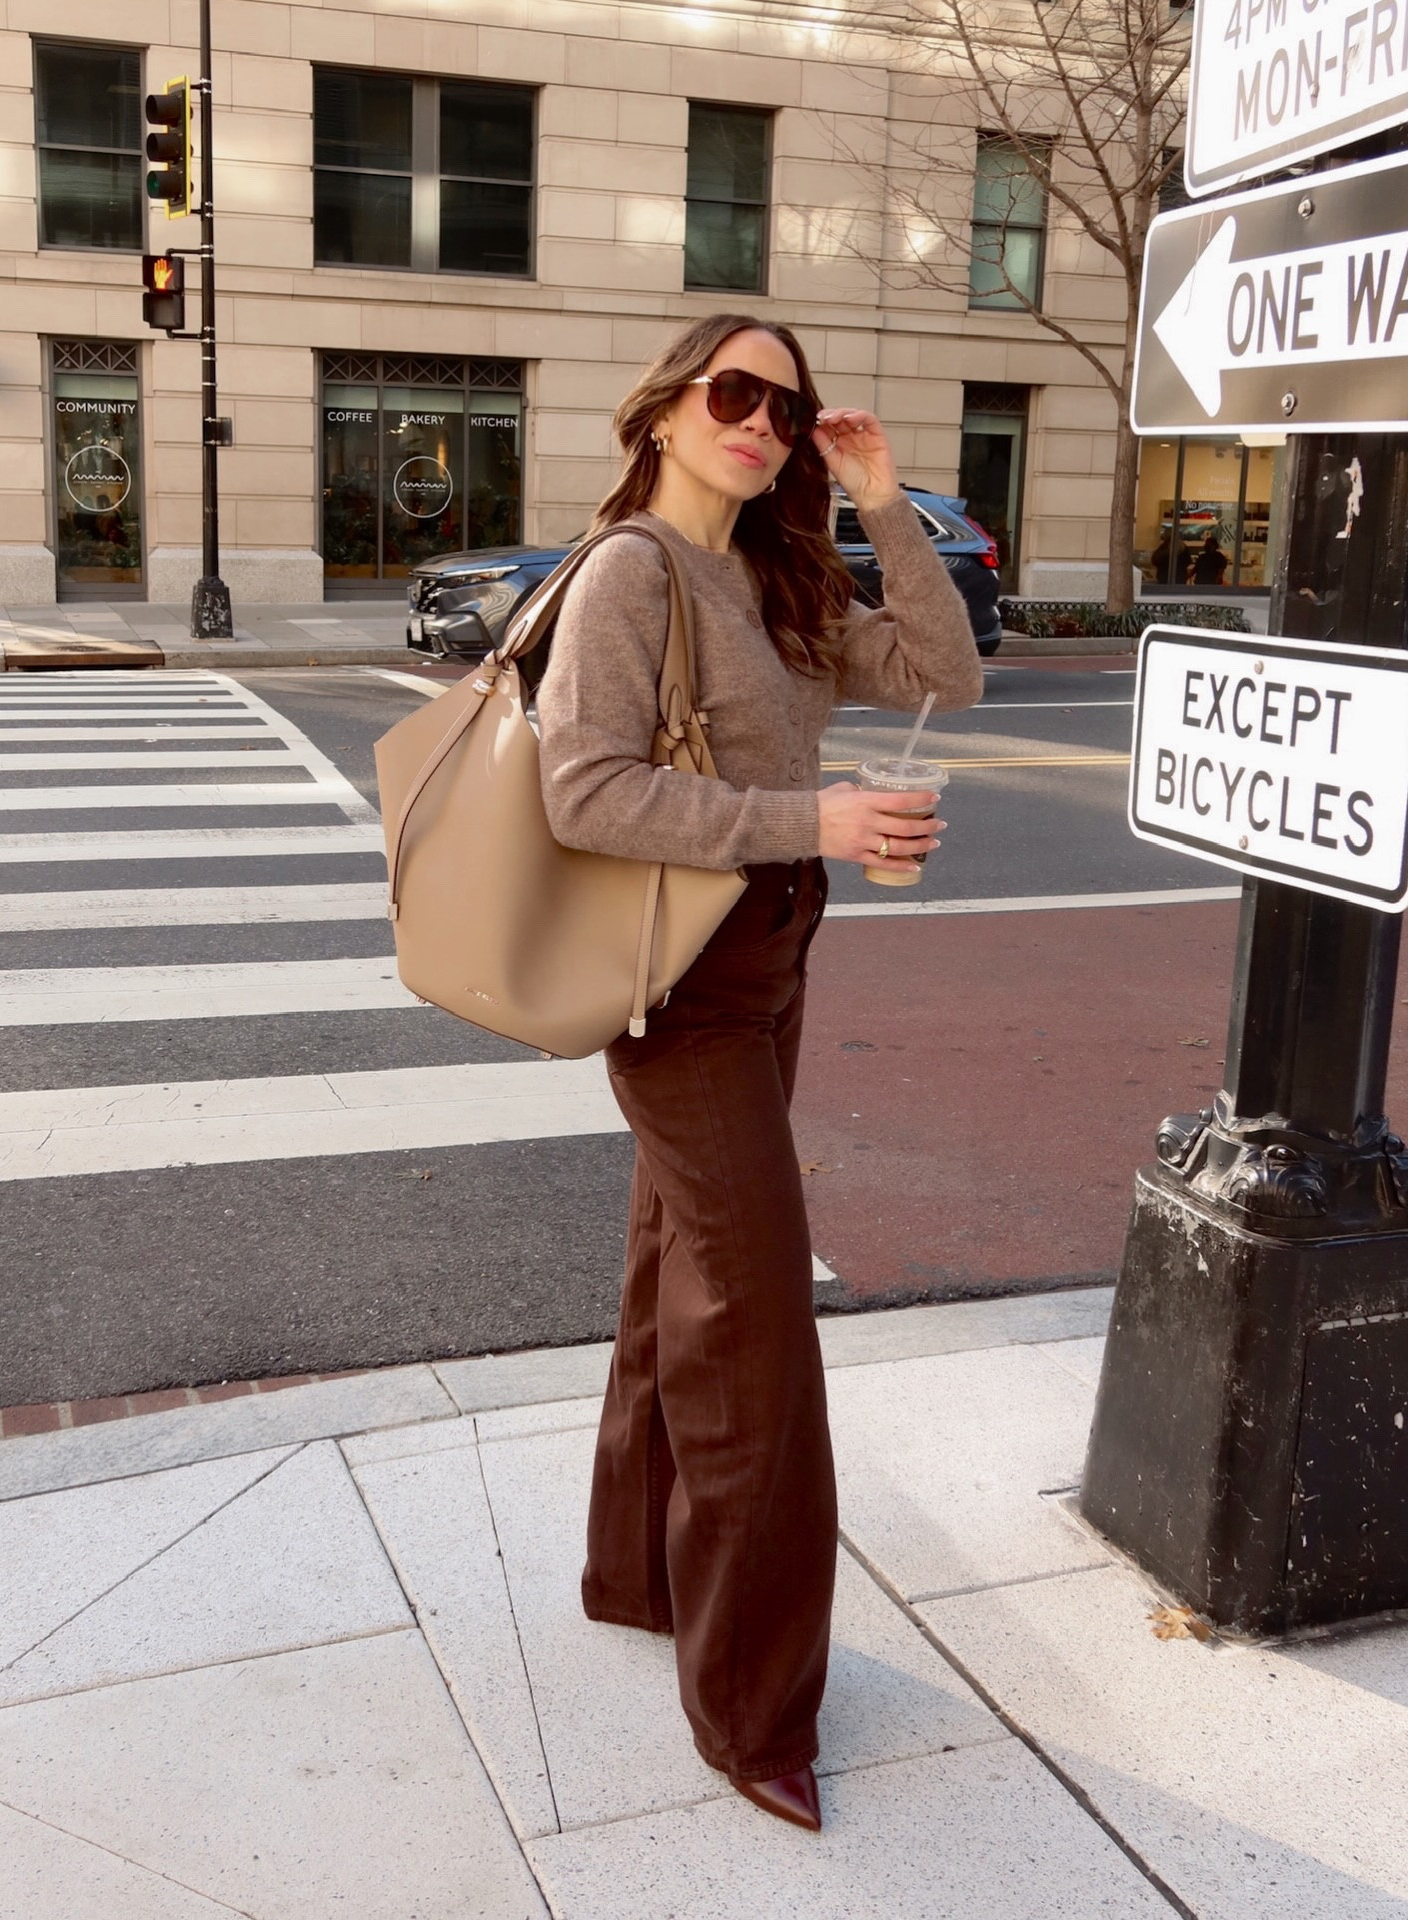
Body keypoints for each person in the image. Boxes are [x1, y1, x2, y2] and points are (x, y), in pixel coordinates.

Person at [536, 313, 982, 1832]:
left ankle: (635, 1573)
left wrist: (876, 502)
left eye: (786, 408)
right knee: (758, 1333)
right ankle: (753, 1711)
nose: (764, 422)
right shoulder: (627, 575)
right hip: (679, 990)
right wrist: (822, 822)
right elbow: (585, 789)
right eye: (736, 394)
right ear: (664, 409)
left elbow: (945, 669)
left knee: (680, 1259)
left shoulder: (777, 582)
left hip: (772, 959)